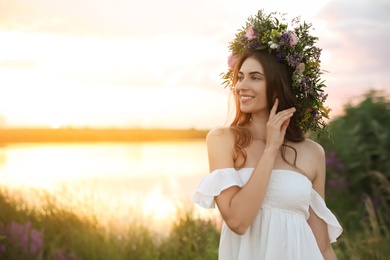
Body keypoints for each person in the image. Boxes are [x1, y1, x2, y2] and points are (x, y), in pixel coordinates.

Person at [191, 10, 343, 260]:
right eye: (239, 77)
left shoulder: (312, 153)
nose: (241, 86)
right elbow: (238, 221)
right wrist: (271, 149)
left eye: (255, 77)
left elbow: (323, 246)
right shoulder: (223, 141)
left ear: (278, 84)